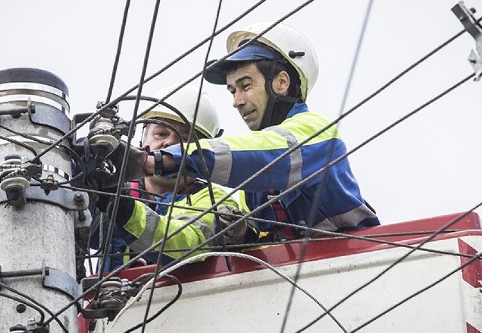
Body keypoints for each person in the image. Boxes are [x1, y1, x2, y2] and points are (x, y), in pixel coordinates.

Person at [141, 21, 379, 239]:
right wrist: (243, 233)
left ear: (282, 83)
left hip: (360, 267)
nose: (237, 101)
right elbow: (262, 244)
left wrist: (164, 160)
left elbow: (264, 154)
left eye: (245, 86)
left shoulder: (316, 131)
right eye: (233, 91)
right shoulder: (251, 188)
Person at [94, 85, 246, 271]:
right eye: (161, 133)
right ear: (143, 140)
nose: (170, 143)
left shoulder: (214, 199)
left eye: (184, 139)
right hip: (110, 299)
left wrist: (124, 211)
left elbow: (190, 242)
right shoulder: (115, 187)